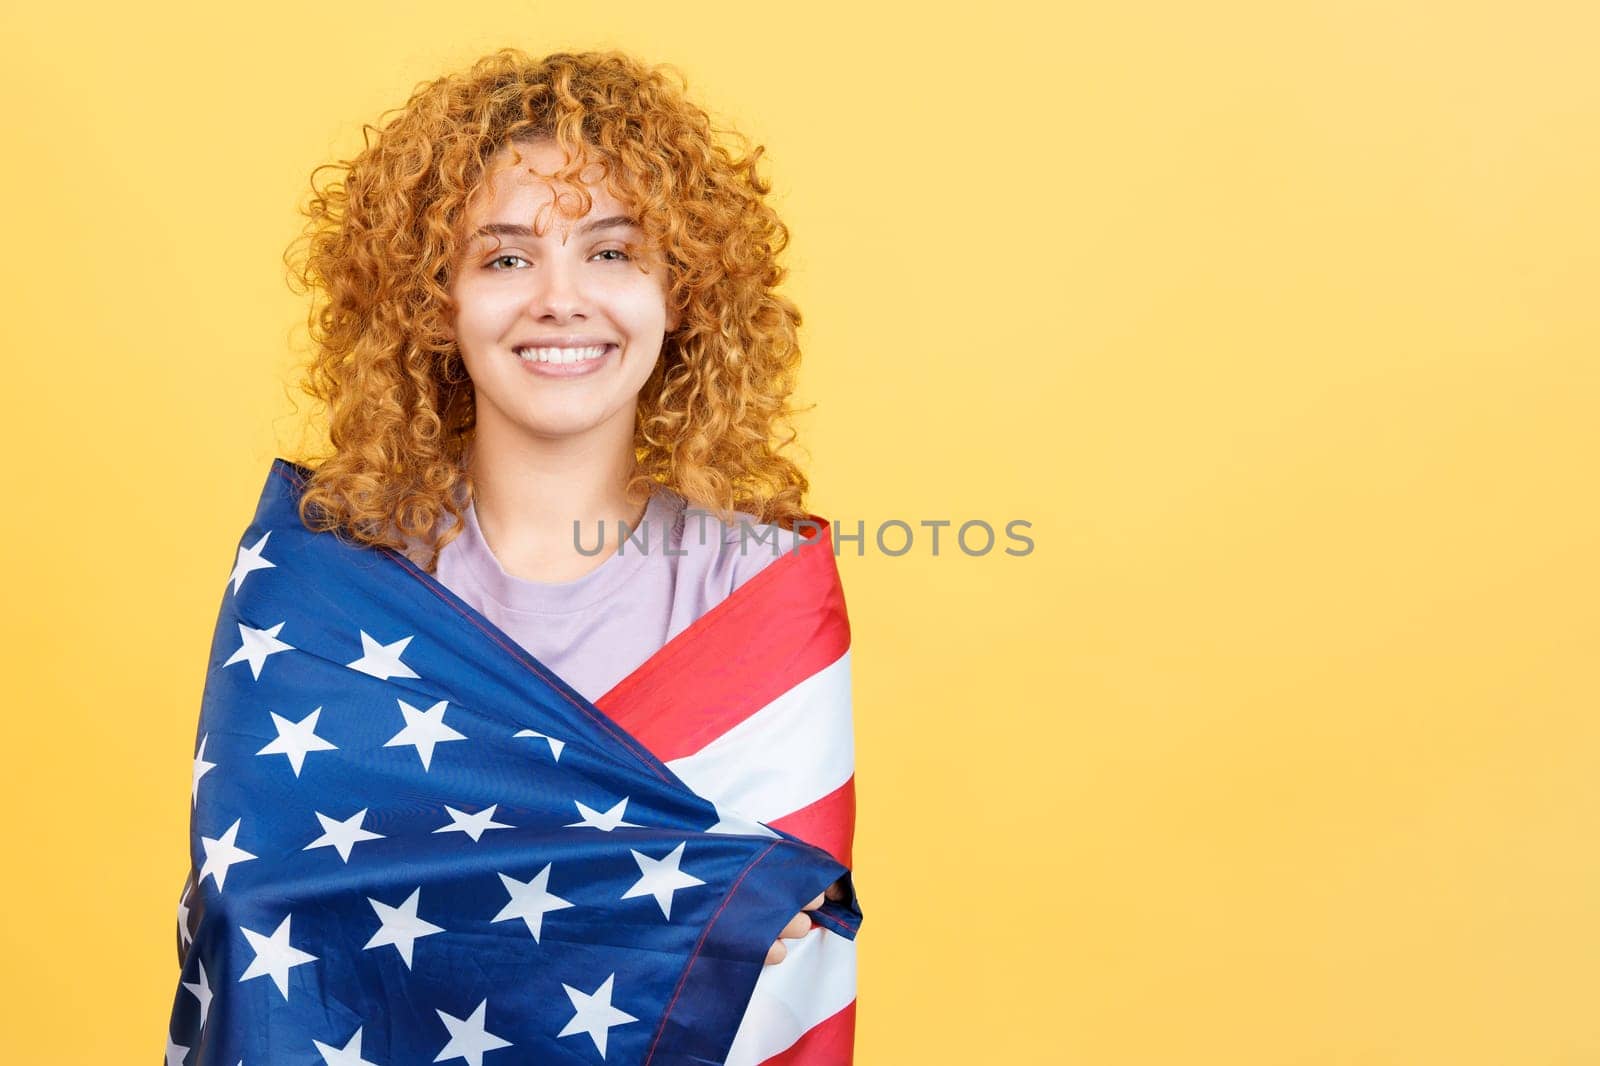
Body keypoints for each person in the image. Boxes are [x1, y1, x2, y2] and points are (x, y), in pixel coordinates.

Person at [168, 48, 859, 1065]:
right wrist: (642, 892)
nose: (559, 298)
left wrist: (470, 895)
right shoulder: (323, 578)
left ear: (685, 295)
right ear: (431, 304)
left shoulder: (757, 585)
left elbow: (780, 918)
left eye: (613, 253)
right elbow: (255, 903)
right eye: (503, 257)